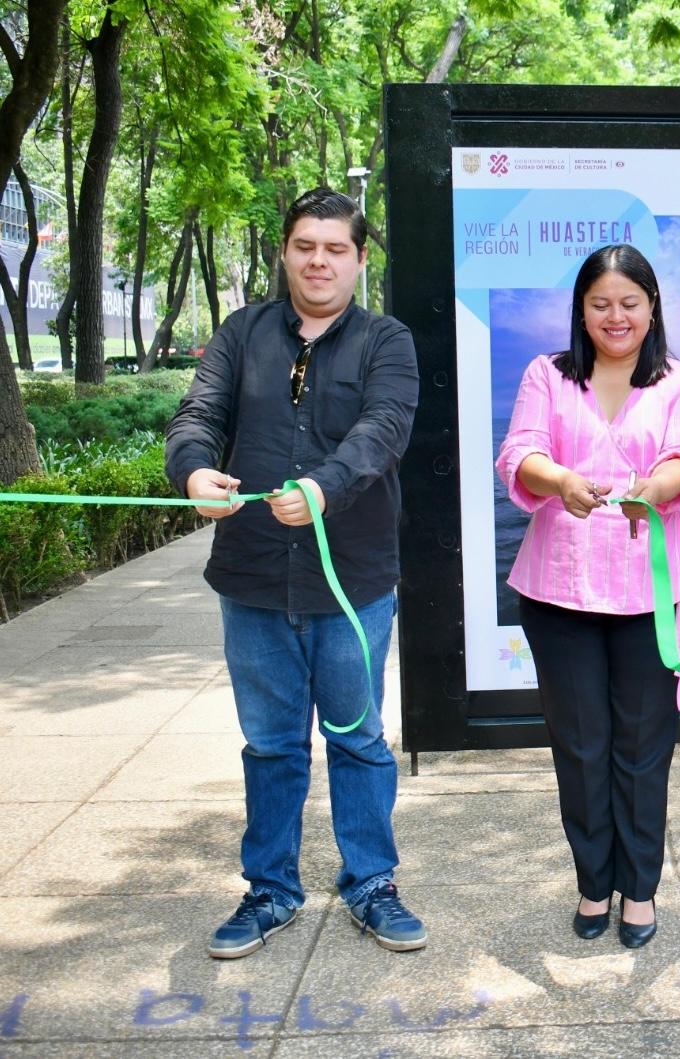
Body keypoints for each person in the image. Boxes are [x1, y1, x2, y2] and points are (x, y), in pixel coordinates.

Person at [165, 187, 425, 958]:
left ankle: (371, 881)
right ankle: (270, 889)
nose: (319, 260)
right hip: (250, 580)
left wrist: (323, 487)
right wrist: (193, 471)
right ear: (285, 250)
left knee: (359, 738)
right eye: (305, 246)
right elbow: (198, 414)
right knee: (272, 744)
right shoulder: (241, 332)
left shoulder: (388, 340)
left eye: (335, 248)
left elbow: (384, 430)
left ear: (359, 257)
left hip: (353, 581)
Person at [496, 243, 680, 949]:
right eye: (600, 304)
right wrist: (558, 479)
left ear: (652, 307)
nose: (615, 317)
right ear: (580, 310)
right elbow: (518, 450)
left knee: (644, 746)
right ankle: (594, 879)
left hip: (653, 591)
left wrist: (655, 489)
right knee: (581, 746)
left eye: (629, 302)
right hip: (559, 589)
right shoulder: (547, 375)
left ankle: (641, 886)